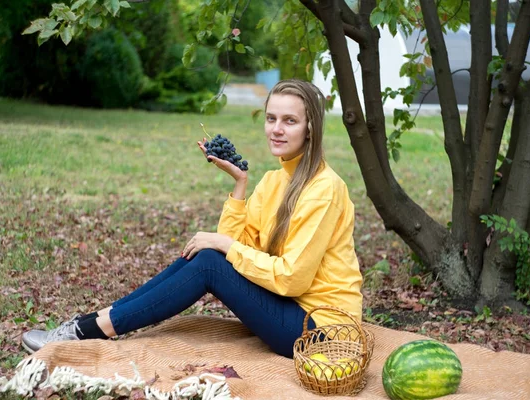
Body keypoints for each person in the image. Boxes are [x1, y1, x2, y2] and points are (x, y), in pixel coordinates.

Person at [21, 79, 363, 358]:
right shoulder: (275, 180)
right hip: (289, 308)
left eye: (290, 121)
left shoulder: (324, 189)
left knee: (211, 261)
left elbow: (291, 280)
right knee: (208, 256)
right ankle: (91, 323)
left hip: (319, 330)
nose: (276, 129)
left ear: (310, 128)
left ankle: (89, 331)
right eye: (271, 118)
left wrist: (223, 244)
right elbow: (238, 247)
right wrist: (239, 185)